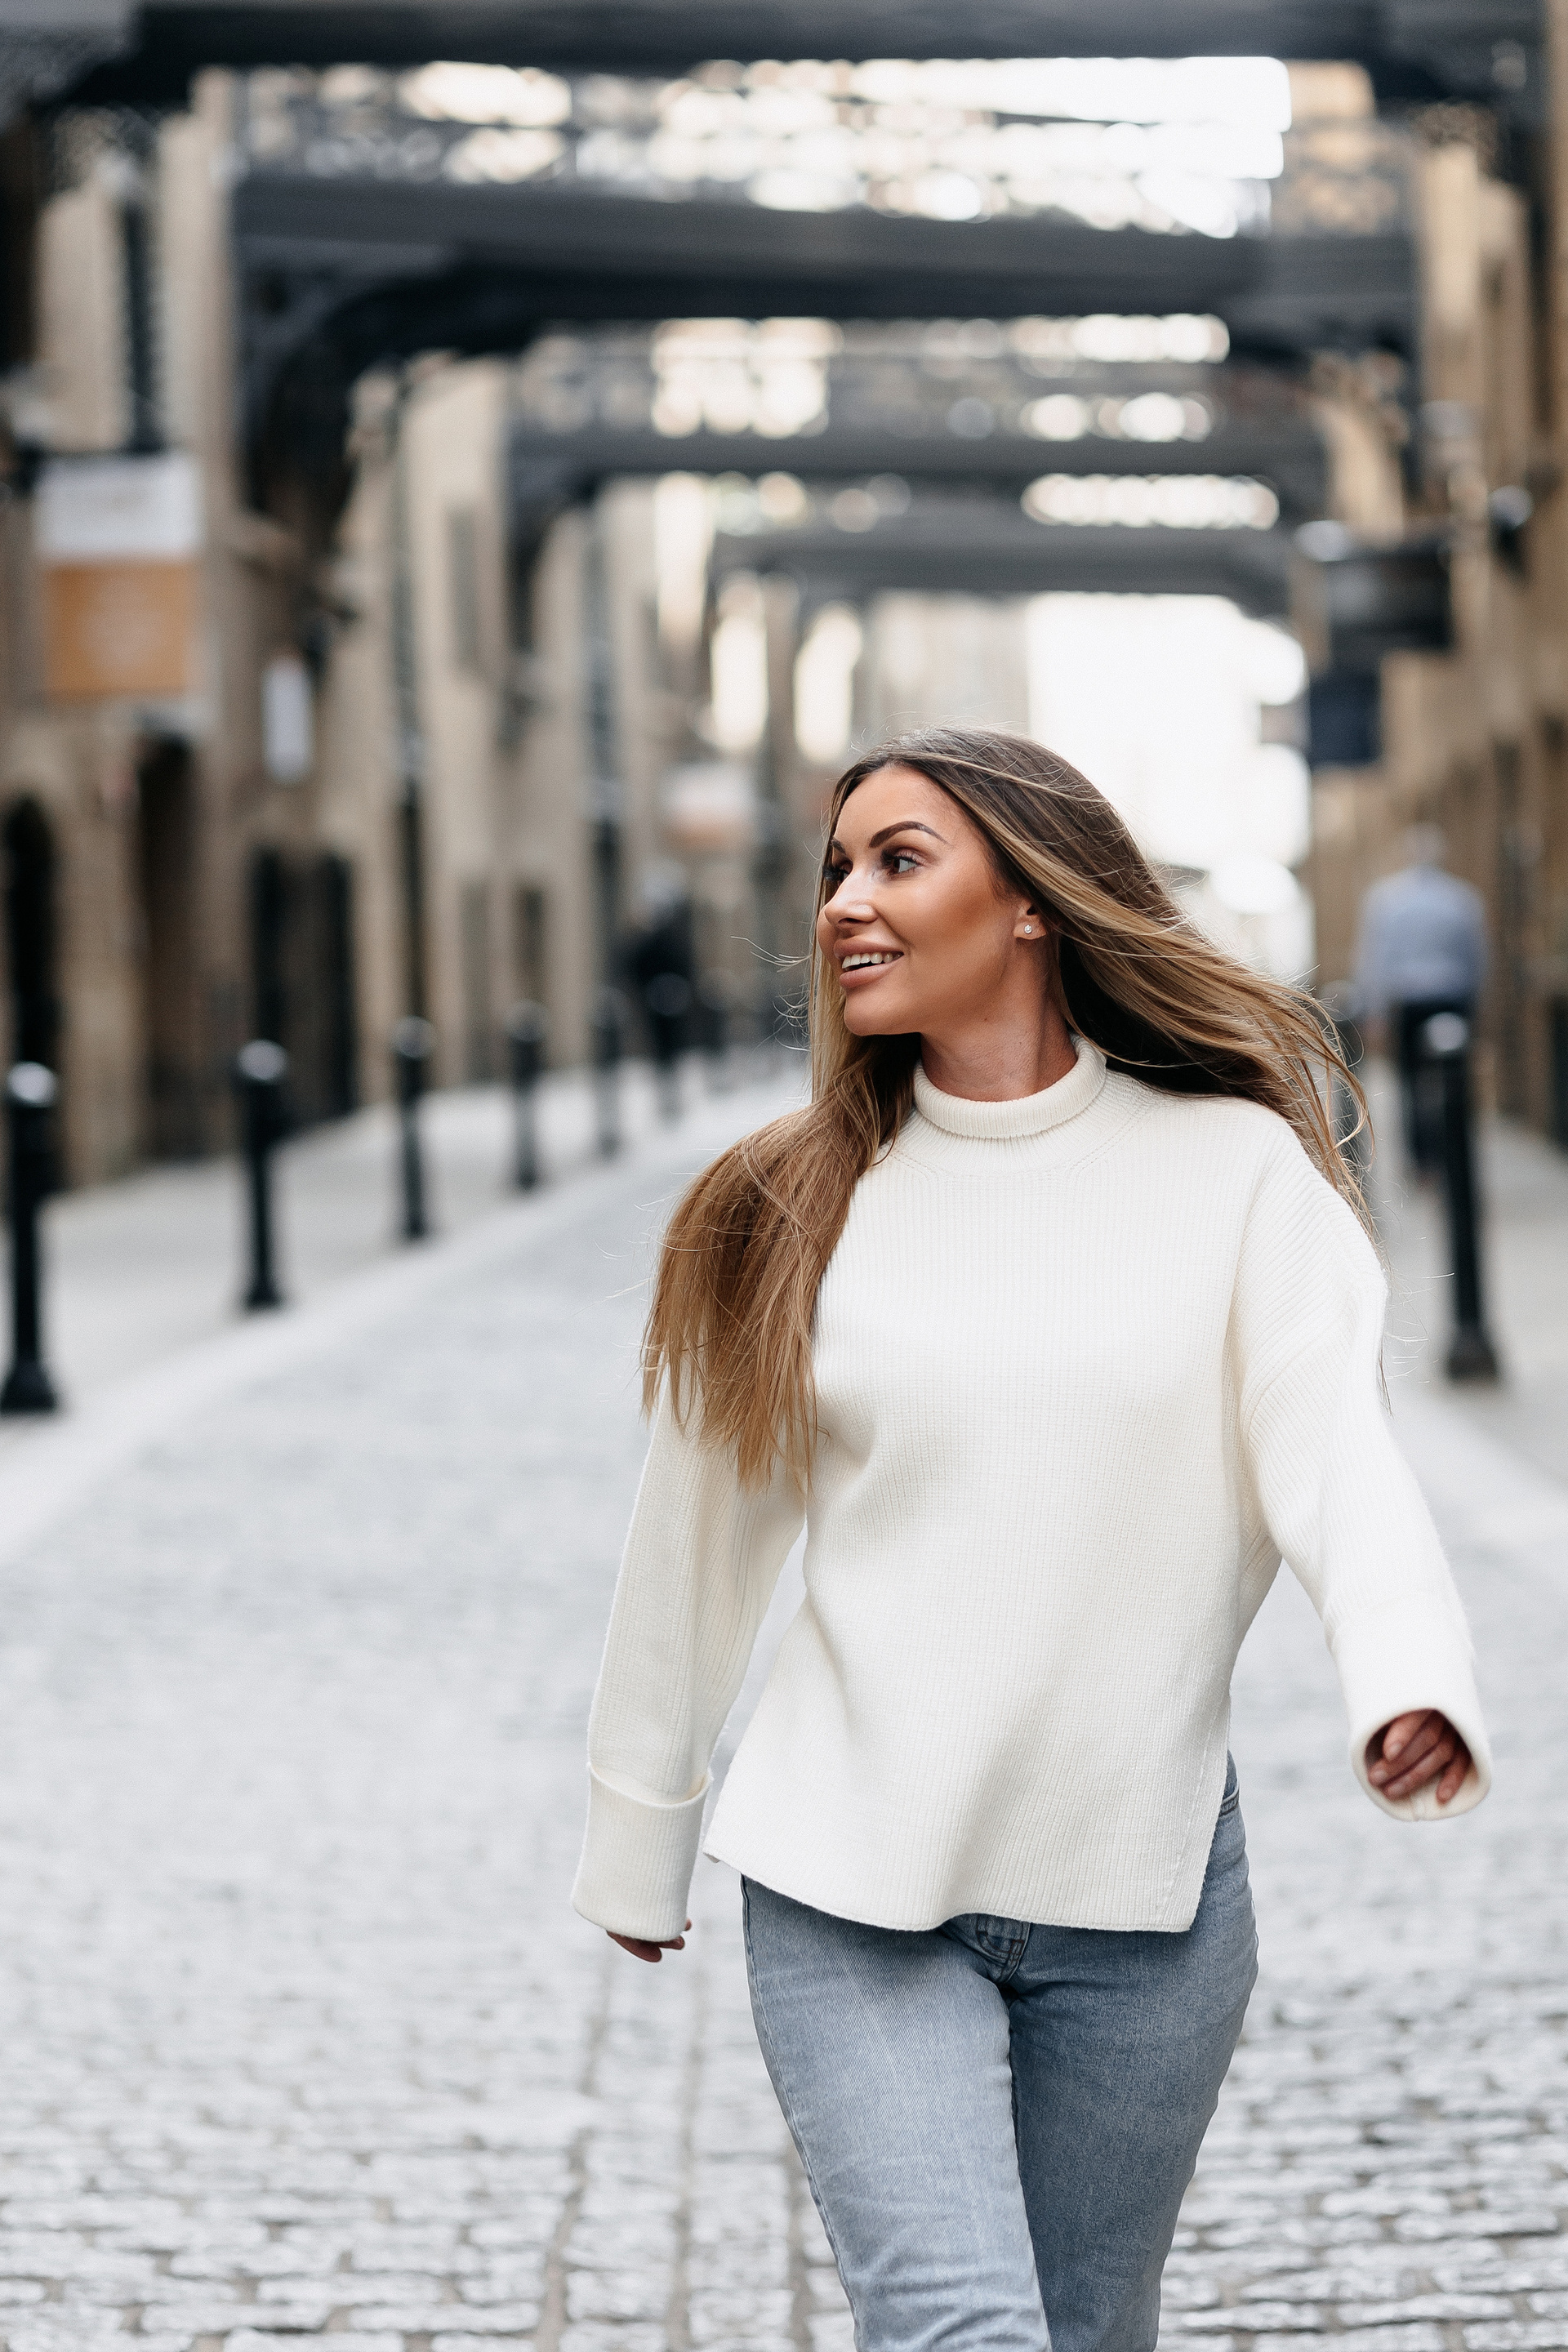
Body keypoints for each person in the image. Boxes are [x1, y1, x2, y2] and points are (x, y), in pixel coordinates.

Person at [573, 728, 1490, 2352]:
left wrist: (1407, 1673)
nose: (845, 903)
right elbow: (691, 1549)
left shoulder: (1235, 1175)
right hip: (851, 1889)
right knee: (960, 2329)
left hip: (1142, 1899)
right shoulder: (783, 1207)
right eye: (835, 869)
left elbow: (1335, 1447)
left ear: (1034, 901)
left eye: (898, 860)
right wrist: (641, 1831)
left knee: (1084, 2332)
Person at [1355, 826, 1488, 1172]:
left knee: (1410, 1084)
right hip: (1451, 1001)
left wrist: (1373, 1011)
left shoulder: (1386, 899)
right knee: (1456, 1081)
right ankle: (1455, 1157)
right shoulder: (1462, 898)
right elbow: (1476, 957)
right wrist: (1475, 1006)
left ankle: (1421, 1160)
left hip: (1408, 1004)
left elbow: (1375, 959)